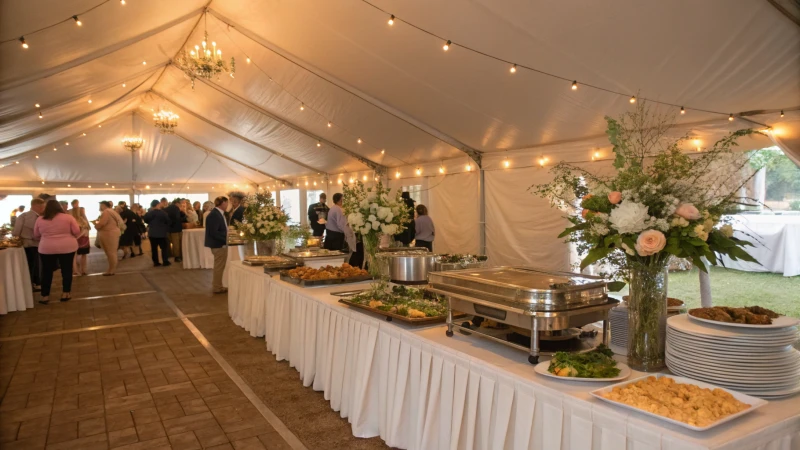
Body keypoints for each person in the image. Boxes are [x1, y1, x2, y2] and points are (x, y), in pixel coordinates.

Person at [33, 200, 80, 304]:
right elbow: (76, 231)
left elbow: (36, 235)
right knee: (67, 270)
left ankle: (45, 296)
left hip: (47, 248)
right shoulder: (68, 217)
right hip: (67, 247)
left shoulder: (40, 219)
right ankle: (65, 293)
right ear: (59, 207)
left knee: (46, 272)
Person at [12, 199, 45, 291]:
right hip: (33, 244)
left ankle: (32, 284)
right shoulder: (38, 217)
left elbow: (16, 231)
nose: (43, 209)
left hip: (26, 244)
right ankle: (31, 285)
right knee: (32, 266)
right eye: (42, 207)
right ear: (37, 206)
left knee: (30, 265)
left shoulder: (23, 216)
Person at [205, 196, 230, 294]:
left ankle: (218, 285)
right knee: (219, 266)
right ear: (223, 203)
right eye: (227, 203)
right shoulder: (214, 215)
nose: (227, 205)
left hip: (219, 244)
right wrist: (226, 239)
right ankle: (217, 287)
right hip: (218, 245)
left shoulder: (218, 213)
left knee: (219, 266)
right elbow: (214, 233)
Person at [95, 201, 122, 276]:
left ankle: (111, 270)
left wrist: (96, 225)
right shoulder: (112, 211)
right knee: (112, 252)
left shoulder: (106, 212)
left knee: (111, 252)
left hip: (109, 234)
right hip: (112, 233)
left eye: (100, 205)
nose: (99, 207)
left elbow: (102, 223)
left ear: (103, 205)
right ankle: (111, 269)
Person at [144, 199, 171, 267]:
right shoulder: (163, 213)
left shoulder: (149, 213)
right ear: (158, 205)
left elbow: (146, 220)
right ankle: (165, 261)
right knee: (164, 248)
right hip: (162, 233)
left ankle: (156, 262)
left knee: (154, 249)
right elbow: (168, 221)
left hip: (152, 233)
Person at [71, 206, 91, 275]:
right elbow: (87, 229)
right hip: (84, 239)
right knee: (83, 255)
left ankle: (76, 270)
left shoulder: (72, 219)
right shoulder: (83, 220)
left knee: (75, 255)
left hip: (76, 239)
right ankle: (83, 270)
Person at [164, 198, 185, 262]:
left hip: (169, 229)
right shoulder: (175, 208)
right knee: (177, 244)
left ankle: (169, 255)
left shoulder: (167, 208)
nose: (182, 205)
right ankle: (177, 257)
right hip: (176, 228)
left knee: (170, 243)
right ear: (177, 203)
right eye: (181, 204)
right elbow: (177, 218)